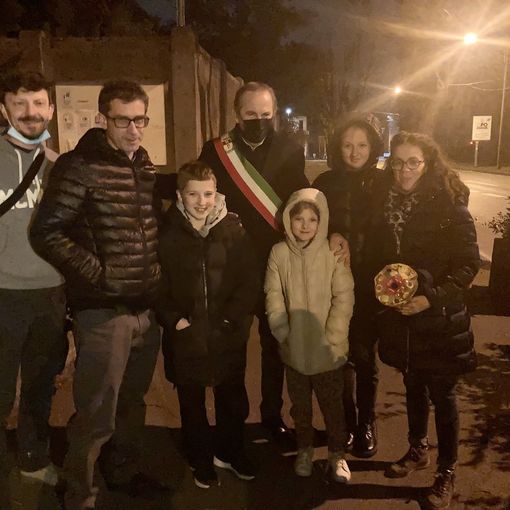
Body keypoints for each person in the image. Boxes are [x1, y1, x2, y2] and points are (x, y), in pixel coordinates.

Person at [29, 80, 162, 510]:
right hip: (104, 313)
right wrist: (99, 275)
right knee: (96, 413)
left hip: (145, 311)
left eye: (140, 119)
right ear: (103, 118)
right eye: (123, 121)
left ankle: (122, 473)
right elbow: (47, 231)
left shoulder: (143, 165)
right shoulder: (79, 165)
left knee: (131, 406)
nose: (134, 130)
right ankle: (80, 493)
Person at [364, 132, 479, 509]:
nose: (404, 170)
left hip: (440, 317)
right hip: (403, 318)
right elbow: (381, 256)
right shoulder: (384, 201)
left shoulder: (448, 203)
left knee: (443, 396)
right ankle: (418, 449)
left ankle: (447, 470)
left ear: (428, 164)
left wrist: (429, 298)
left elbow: (468, 265)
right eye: (397, 162)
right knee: (413, 384)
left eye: (413, 162)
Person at [198, 82, 309, 440]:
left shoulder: (291, 150)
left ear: (274, 113)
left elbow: (299, 202)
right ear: (237, 114)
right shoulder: (216, 151)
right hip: (232, 269)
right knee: (232, 346)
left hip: (276, 266)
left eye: (265, 114)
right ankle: (232, 420)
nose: (258, 121)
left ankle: (272, 415)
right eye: (250, 114)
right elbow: (198, 193)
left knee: (275, 347)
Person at [157, 160, 258, 489]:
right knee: (192, 403)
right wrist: (174, 319)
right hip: (187, 335)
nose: (202, 202)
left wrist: (233, 318)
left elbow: (248, 280)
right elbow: (157, 284)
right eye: (193, 194)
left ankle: (230, 452)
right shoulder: (168, 234)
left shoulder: (233, 230)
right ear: (179, 195)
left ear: (217, 194)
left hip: (227, 332)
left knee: (232, 399)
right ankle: (199, 457)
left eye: (208, 194)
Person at [0, 71, 67, 499]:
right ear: (3, 108)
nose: (30, 112)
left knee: (41, 385)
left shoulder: (61, 166)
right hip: (3, 293)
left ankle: (32, 459)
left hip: (50, 294)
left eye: (39, 103)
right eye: (20, 103)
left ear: (51, 109)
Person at [264, 188, 354, 482]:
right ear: (288, 220)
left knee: (332, 407)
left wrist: (333, 336)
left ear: (322, 220)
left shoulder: (332, 252)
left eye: (312, 219)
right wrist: (282, 332)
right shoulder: (279, 253)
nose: (305, 225)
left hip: (328, 351)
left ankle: (337, 454)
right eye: (298, 219)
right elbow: (273, 295)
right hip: (295, 350)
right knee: (300, 408)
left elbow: (344, 296)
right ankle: (304, 449)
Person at [313, 117, 383, 457]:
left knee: (365, 358)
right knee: (339, 357)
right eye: (348, 145)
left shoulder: (384, 182)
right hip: (334, 284)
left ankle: (366, 422)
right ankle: (345, 422)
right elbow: (307, 224)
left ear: (373, 148)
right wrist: (330, 234)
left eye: (362, 145)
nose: (355, 152)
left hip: (371, 285)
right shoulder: (324, 183)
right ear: (337, 148)